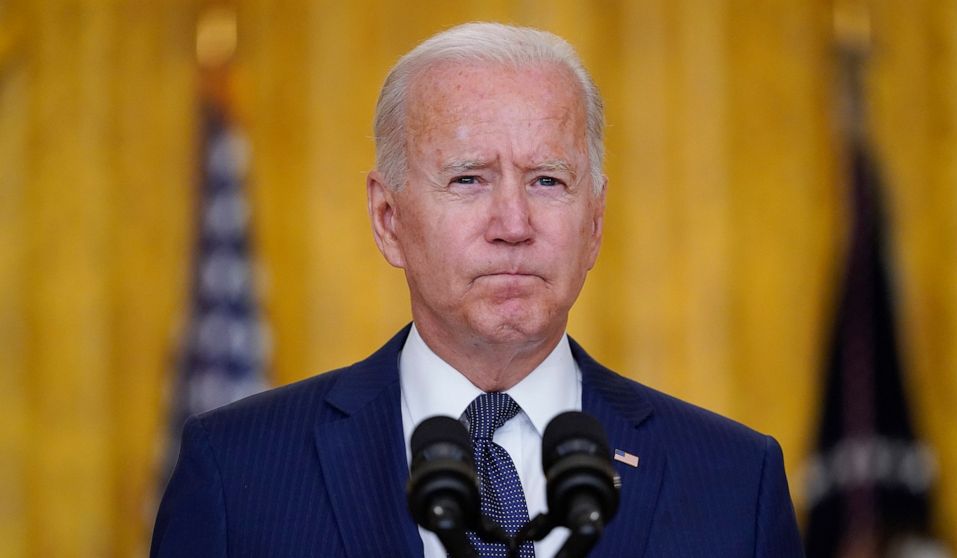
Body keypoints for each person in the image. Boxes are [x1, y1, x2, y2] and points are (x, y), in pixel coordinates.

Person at [151, 22, 804, 558]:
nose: (514, 225)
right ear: (388, 220)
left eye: (547, 180)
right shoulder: (239, 471)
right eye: (469, 180)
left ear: (595, 223)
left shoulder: (733, 483)